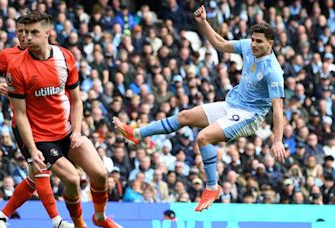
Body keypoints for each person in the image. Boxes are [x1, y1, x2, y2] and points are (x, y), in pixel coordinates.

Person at [113, 4, 286, 212]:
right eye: (253, 40)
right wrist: (203, 23)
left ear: (270, 44)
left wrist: (277, 140)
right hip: (232, 104)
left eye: (259, 42)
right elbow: (220, 44)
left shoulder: (273, 71)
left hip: (250, 116)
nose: (254, 44)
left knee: (203, 137)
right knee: (185, 116)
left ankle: (212, 187)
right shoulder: (248, 47)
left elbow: (278, 108)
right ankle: (137, 133)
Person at [7, 12, 121, 228]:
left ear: (47, 33)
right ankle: (79, 224)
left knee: (99, 174)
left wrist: (77, 131)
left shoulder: (65, 57)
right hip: (41, 138)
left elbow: (76, 100)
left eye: (34, 32)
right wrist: (32, 149)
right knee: (72, 179)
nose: (28, 37)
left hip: (67, 131)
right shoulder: (17, 67)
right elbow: (19, 114)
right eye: (25, 33)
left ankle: (99, 217)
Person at [0, 16, 73, 228]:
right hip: (26, 126)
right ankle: (57, 221)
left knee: (33, 180)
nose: (25, 36)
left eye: (29, 32)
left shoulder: (51, 56)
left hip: (51, 126)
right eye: (21, 31)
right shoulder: (8, 55)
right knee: (41, 170)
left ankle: (1, 217)